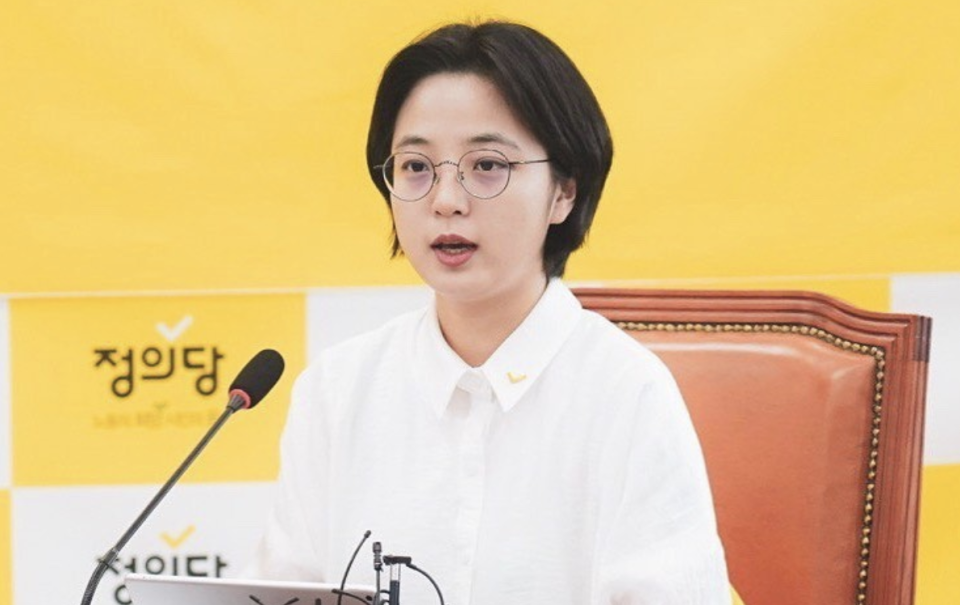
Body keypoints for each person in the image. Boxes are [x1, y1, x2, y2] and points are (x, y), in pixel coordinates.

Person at [249, 20, 730, 604]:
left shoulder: (626, 393)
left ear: (564, 191)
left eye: (487, 166)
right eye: (416, 168)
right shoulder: (337, 388)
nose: (446, 201)